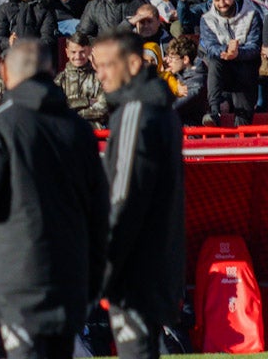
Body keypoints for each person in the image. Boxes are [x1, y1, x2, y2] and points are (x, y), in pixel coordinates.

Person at [0, 39, 108, 359]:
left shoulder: (0, 124)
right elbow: (100, 205)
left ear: (6, 72)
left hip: (19, 274)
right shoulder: (78, 129)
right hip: (70, 270)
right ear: (52, 71)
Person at [95, 30, 184, 359]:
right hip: (157, 262)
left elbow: (123, 196)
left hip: (134, 268)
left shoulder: (135, 112)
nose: (100, 73)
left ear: (133, 63)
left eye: (107, 65)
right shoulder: (163, 109)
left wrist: (106, 266)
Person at [199, 0, 263, 125]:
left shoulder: (252, 14)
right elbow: (210, 47)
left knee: (243, 120)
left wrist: (237, 53)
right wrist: (226, 51)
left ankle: (242, 127)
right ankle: (214, 111)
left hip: (246, 68)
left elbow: (255, 46)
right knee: (214, 63)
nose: (222, 4)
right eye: (217, 0)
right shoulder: (207, 19)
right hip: (223, 67)